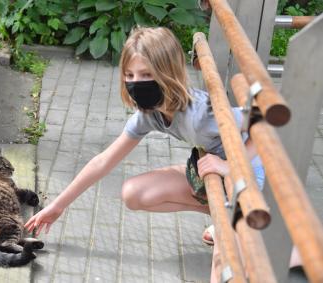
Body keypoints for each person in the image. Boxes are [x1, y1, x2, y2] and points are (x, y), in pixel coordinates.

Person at [25, 27, 265, 282]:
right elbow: (104, 160)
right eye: (129, 75)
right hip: (211, 175)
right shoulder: (150, 114)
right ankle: (219, 219)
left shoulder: (202, 115)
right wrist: (57, 206)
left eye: (146, 74)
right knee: (133, 193)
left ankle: (235, 227)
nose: (136, 83)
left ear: (167, 73)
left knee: (226, 267)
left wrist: (230, 167)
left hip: (244, 179)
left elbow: (266, 121)